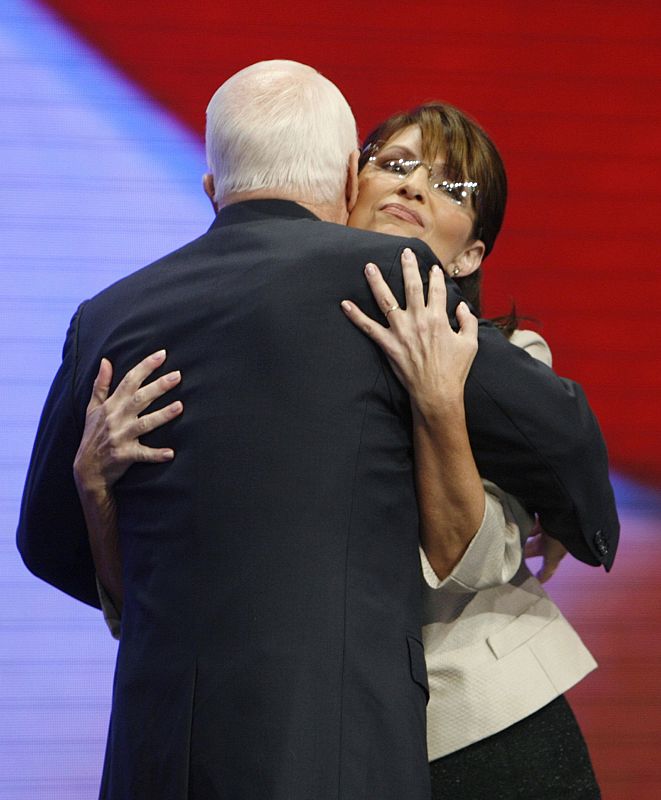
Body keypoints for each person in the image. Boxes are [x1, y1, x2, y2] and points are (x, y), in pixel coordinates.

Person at [16, 61, 617, 800]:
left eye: (451, 185)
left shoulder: (497, 356)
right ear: (346, 180)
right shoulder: (251, 330)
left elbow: (482, 550)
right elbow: (170, 569)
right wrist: (94, 485)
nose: (413, 187)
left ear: (469, 256)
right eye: (395, 164)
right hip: (321, 735)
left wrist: (440, 404)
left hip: (479, 722)